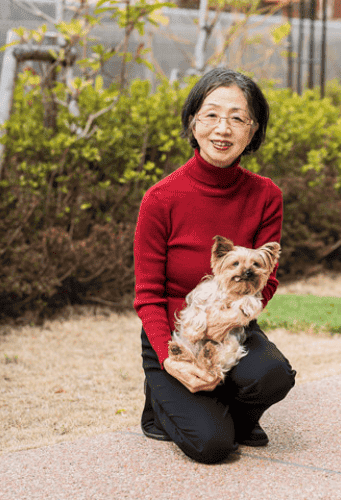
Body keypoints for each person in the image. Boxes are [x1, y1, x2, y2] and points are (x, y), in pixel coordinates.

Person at [133, 68, 296, 464]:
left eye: (238, 118)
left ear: (253, 130)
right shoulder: (161, 198)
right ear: (193, 122)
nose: (223, 129)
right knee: (213, 446)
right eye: (211, 115)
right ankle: (161, 403)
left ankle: (229, 410)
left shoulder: (265, 194)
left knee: (273, 375)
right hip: (176, 335)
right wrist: (168, 356)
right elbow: (148, 295)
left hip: (234, 325)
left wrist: (233, 319)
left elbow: (266, 279)